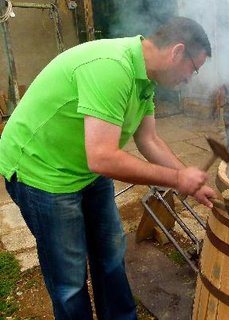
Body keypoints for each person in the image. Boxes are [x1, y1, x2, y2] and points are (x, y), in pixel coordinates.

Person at [0, 16, 217, 319]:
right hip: (41, 170)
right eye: (194, 69)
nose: (190, 79)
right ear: (177, 52)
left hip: (84, 168)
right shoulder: (112, 67)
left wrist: (192, 183)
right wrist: (177, 178)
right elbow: (102, 157)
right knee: (69, 278)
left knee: (110, 252)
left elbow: (149, 140)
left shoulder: (145, 80)